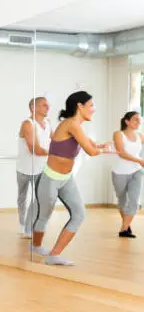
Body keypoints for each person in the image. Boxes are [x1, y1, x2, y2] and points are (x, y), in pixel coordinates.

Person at [32, 91, 112, 265]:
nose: (94, 109)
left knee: (79, 214)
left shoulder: (77, 127)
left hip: (66, 179)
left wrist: (102, 146)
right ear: (80, 106)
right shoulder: (70, 124)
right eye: (91, 105)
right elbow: (91, 152)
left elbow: (91, 145)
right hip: (50, 178)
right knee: (44, 216)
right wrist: (103, 150)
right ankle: (36, 245)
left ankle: (54, 255)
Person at [16, 97, 52, 239]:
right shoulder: (28, 124)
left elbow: (56, 140)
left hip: (41, 168)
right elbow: (35, 150)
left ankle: (29, 228)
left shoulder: (48, 123)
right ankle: (22, 226)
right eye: (44, 105)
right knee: (22, 198)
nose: (47, 107)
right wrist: (55, 151)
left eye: (48, 105)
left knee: (39, 198)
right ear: (33, 107)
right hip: (23, 169)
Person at [111, 111, 144, 238]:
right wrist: (140, 161)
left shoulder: (140, 136)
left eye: (139, 120)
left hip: (136, 171)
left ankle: (123, 229)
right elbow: (121, 153)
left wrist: (139, 163)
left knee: (134, 202)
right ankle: (126, 224)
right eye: (135, 119)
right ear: (127, 121)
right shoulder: (118, 134)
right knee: (122, 201)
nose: (138, 122)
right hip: (119, 172)